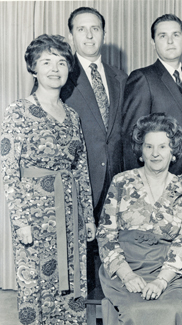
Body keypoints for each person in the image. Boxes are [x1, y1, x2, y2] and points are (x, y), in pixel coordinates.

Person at [0, 34, 95, 324]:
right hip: (36, 216)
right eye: (46, 62)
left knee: (73, 286)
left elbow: (80, 169)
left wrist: (88, 216)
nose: (55, 69)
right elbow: (8, 171)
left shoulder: (72, 115)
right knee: (37, 288)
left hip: (71, 215)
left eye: (62, 62)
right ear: (33, 68)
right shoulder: (17, 111)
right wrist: (20, 222)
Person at [97, 113, 182, 324]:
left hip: (167, 271)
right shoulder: (121, 182)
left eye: (162, 147)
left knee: (171, 310)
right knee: (134, 310)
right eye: (149, 146)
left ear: (173, 151)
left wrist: (162, 281)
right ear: (141, 151)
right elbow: (105, 234)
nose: (155, 153)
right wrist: (127, 275)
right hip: (125, 267)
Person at [62, 6, 127, 292]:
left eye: (95, 29)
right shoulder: (60, 74)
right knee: (81, 258)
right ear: (71, 34)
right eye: (81, 29)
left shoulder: (120, 77)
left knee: (114, 251)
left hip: (116, 177)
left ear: (103, 33)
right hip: (78, 181)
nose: (89, 36)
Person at [122, 14, 182, 175]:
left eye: (176, 35)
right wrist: (139, 185)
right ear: (153, 42)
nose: (170, 41)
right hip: (160, 178)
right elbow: (132, 139)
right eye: (162, 36)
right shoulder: (143, 78)